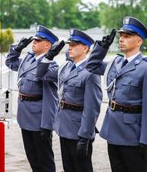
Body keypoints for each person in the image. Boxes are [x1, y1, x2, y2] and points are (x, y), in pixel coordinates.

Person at [86, 16, 147, 172]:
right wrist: (102, 48)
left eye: (127, 36)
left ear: (139, 41)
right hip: (113, 132)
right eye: (121, 36)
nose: (121, 39)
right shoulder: (115, 63)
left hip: (133, 136)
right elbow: (92, 66)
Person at [36, 29, 103, 172]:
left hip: (79, 130)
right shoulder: (66, 67)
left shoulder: (91, 72)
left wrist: (85, 137)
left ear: (85, 48)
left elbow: (92, 108)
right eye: (69, 44)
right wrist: (49, 56)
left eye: (74, 45)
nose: (70, 47)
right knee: (68, 167)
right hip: (64, 126)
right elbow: (41, 74)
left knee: (82, 168)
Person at [5, 25, 59, 172]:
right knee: (33, 158)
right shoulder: (27, 60)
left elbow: (52, 98)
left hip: (39, 119)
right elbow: (10, 62)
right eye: (34, 39)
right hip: (25, 116)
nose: (34, 42)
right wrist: (17, 49)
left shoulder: (52, 67)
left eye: (38, 40)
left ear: (47, 44)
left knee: (45, 161)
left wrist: (47, 125)